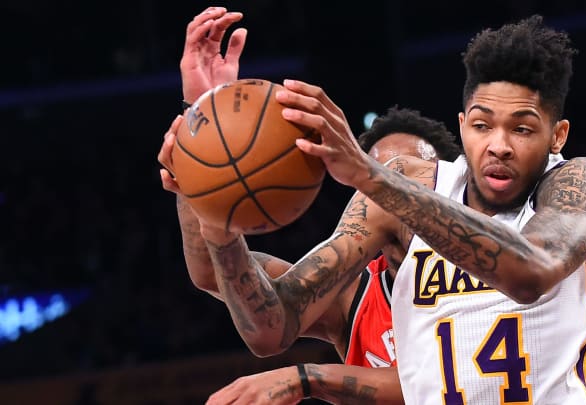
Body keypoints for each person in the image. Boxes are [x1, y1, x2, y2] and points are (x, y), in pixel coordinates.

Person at [169, 12, 586, 404]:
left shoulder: (585, 182)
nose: (498, 145)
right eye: (481, 125)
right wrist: (212, 194)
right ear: (462, 125)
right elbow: (270, 328)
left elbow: (531, 272)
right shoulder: (405, 194)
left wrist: (368, 174)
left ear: (557, 136)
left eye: (521, 129)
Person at [159, 9, 461, 403]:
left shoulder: (496, 270)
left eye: (407, 180)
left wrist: (310, 377)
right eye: (377, 179)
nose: (389, 195)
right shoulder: (350, 294)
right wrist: (205, 133)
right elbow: (212, 274)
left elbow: (449, 385)